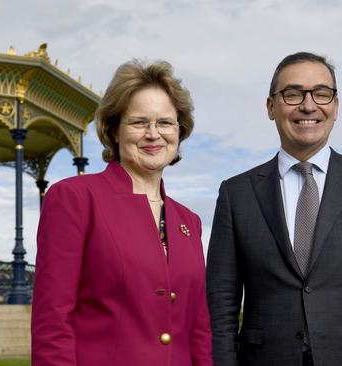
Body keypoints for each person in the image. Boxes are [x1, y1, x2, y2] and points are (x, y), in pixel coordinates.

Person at [206, 52, 342, 366]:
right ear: (271, 107)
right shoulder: (236, 193)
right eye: (293, 94)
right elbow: (221, 304)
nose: (308, 105)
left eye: (322, 94)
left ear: (335, 106)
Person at [31, 60, 212, 366]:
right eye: (139, 122)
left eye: (165, 123)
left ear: (179, 132)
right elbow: (53, 321)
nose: (153, 134)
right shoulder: (75, 199)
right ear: (114, 130)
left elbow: (199, 330)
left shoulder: (188, 222)